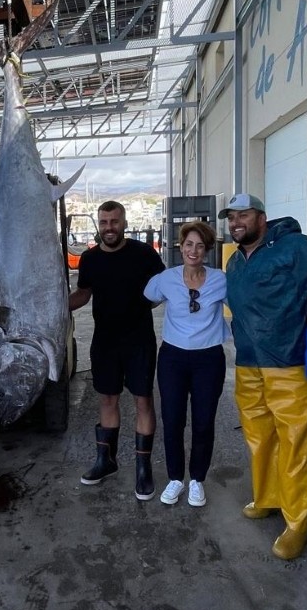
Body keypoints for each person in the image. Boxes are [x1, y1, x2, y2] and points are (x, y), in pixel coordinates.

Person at [219, 193, 307, 560]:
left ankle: (297, 524)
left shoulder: (296, 247)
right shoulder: (235, 262)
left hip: (291, 363)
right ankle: (268, 497)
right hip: (249, 363)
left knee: (297, 444)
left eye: (243, 215)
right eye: (231, 217)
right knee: (260, 437)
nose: (236, 223)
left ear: (262, 217)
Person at [69, 200, 165, 500]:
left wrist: (145, 305)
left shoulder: (144, 254)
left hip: (139, 340)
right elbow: (83, 294)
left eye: (114, 221)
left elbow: (162, 289)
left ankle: (143, 469)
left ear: (124, 223)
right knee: (107, 399)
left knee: (143, 401)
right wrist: (54, 308)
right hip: (105, 341)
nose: (109, 227)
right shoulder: (89, 258)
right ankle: (106, 461)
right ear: (99, 224)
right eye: (104, 222)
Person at [144, 221, 230, 508]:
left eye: (200, 246)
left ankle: (197, 480)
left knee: (204, 421)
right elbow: (146, 300)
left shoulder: (220, 280)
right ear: (180, 247)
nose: (194, 250)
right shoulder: (165, 279)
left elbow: (243, 306)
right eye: (189, 244)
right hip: (173, 358)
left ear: (208, 250)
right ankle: (175, 478)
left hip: (209, 359)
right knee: (172, 419)